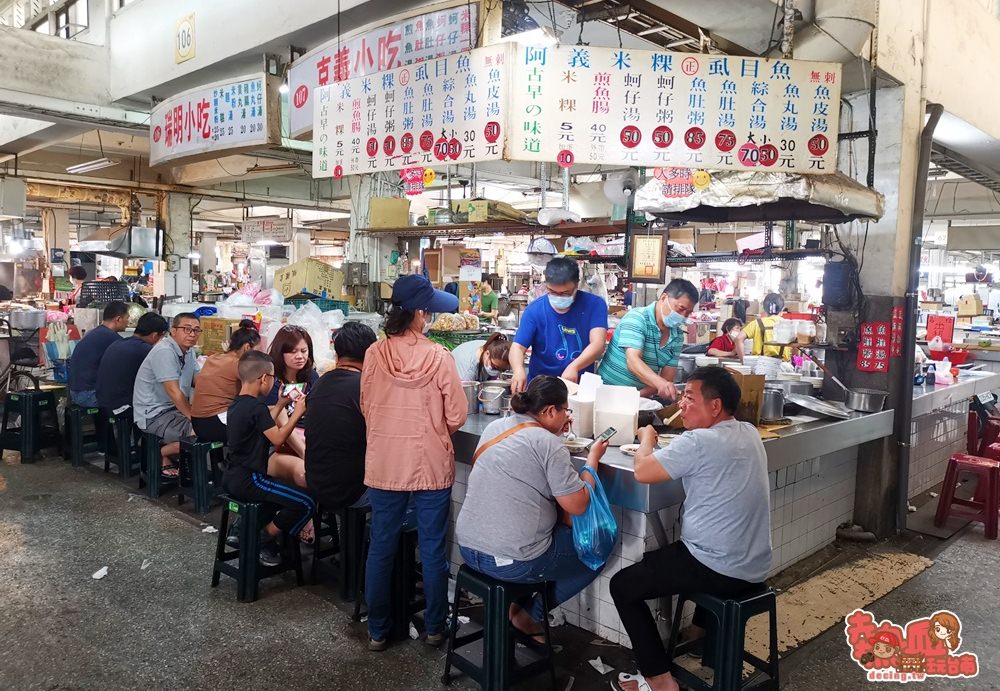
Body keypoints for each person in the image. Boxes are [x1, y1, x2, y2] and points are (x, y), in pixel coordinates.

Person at [610, 367, 771, 691]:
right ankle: (699, 635)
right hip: (756, 565)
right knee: (688, 551)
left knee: (623, 586)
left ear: (715, 406)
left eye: (689, 398)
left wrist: (646, 440)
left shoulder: (699, 441)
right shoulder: (748, 432)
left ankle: (660, 680)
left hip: (718, 569)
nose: (682, 405)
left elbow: (642, 470)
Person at [456, 376, 609, 641]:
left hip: (468, 549)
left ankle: (517, 606)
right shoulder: (548, 444)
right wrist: (592, 460)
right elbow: (578, 504)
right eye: (565, 410)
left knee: (535, 537)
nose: (566, 417)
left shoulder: (496, 428)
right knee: (594, 553)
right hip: (511, 561)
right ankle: (529, 615)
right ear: (550, 411)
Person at [360, 273, 468, 652]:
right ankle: (436, 628)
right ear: (421, 313)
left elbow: (367, 407)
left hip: (385, 464)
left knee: (382, 547)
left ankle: (377, 630)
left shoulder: (374, 353)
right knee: (433, 548)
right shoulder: (439, 356)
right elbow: (457, 414)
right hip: (430, 465)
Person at [223, 351, 315, 567]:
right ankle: (264, 538)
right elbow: (277, 437)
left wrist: (282, 404)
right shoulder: (256, 408)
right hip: (250, 479)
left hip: (232, 476)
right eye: (273, 378)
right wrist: (297, 413)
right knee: (306, 502)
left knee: (283, 501)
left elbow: (263, 425)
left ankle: (244, 528)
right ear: (263, 378)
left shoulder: (238, 404)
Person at [305, 322, 378, 510]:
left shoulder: (320, 383)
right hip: (353, 492)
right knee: (412, 491)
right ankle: (381, 540)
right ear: (370, 353)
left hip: (316, 484)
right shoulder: (366, 388)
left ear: (337, 354)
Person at [509, 257, 608, 395]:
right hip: (541, 389)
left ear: (576, 285)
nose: (558, 297)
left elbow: (598, 344)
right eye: (552, 292)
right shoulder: (534, 310)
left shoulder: (595, 305)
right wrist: (518, 370)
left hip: (577, 388)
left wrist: (575, 366)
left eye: (565, 293)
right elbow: (518, 347)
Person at [597, 279, 698, 401]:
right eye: (680, 309)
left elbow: (666, 378)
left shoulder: (677, 336)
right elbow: (633, 362)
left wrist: (633, 398)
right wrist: (660, 383)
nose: (682, 316)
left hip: (637, 400)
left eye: (688, 313)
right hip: (605, 394)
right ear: (664, 298)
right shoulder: (637, 318)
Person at [132, 313, 201, 478]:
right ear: (173, 330)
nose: (192, 334)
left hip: (173, 409)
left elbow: (199, 382)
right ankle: (159, 452)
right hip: (154, 414)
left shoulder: (189, 352)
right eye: (187, 329)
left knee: (211, 424)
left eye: (196, 330)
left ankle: (191, 469)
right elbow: (174, 392)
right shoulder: (164, 351)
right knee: (201, 429)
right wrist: (194, 416)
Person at [191, 320, 261, 443]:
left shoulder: (213, 358)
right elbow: (260, 388)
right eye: (257, 351)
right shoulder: (237, 364)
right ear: (247, 347)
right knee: (264, 421)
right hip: (215, 423)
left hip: (198, 422)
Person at [263, 324, 319, 472]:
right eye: (293, 352)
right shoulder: (271, 381)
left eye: (304, 351)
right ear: (280, 353)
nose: (300, 356)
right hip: (278, 442)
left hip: (308, 436)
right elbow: (279, 423)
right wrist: (305, 454)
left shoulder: (312, 377)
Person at [96, 312, 168, 413]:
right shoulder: (145, 350)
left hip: (103, 400)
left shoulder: (119, 343)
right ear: (155, 335)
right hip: (121, 407)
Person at [68, 301, 129, 407]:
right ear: (118, 319)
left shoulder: (94, 333)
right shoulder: (111, 338)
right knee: (132, 399)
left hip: (76, 391)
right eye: (127, 318)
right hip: (88, 395)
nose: (128, 322)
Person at [743, 292, 793, 360]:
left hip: (760, 365)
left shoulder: (757, 323)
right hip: (783, 365)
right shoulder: (789, 324)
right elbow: (796, 346)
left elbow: (738, 339)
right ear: (782, 308)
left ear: (764, 308)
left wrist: (743, 360)